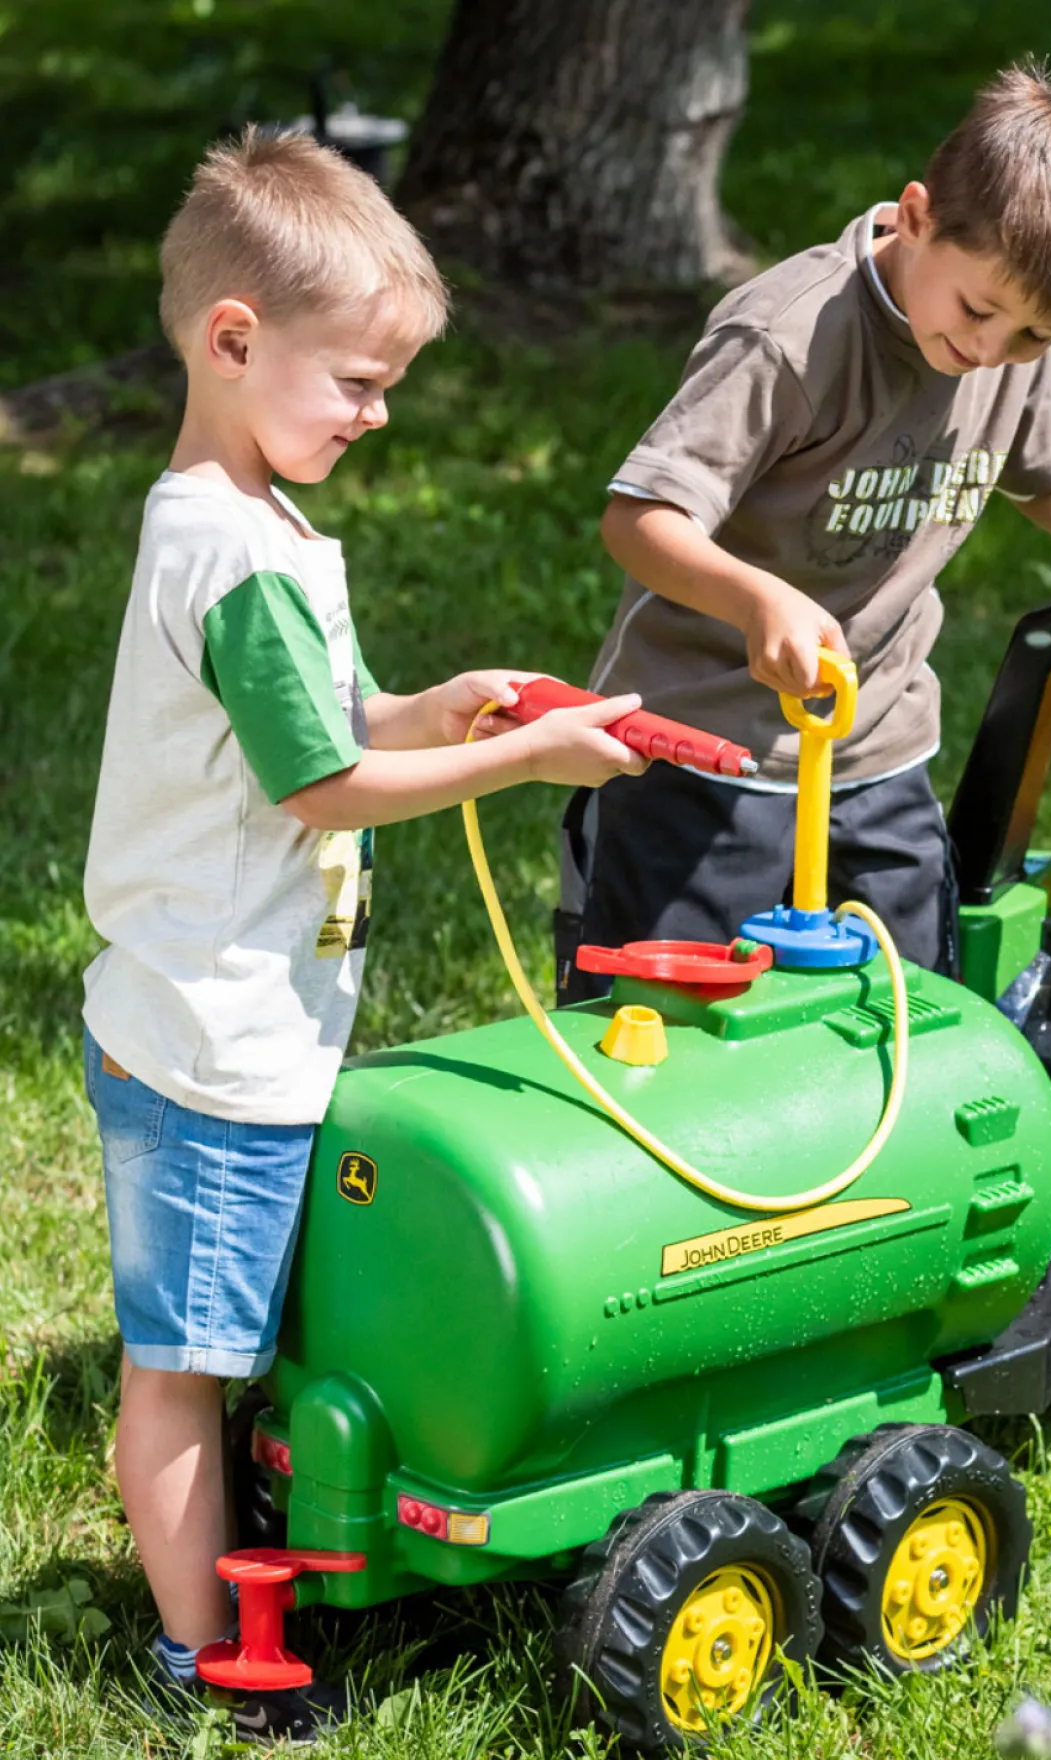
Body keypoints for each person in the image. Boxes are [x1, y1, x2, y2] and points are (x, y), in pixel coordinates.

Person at [81, 128, 647, 1744]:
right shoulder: (233, 554)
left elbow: (331, 725)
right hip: (208, 1039)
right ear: (234, 339)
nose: (380, 411)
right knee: (184, 1362)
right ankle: (209, 1655)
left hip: (244, 1020)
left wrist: (444, 703)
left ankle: (240, 1564)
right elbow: (327, 788)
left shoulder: (249, 520)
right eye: (360, 379)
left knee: (236, 1329)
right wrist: (523, 760)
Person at [557, 61, 1051, 997]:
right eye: (980, 312)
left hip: (878, 749)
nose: (991, 352)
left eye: (1037, 336)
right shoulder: (789, 338)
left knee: (902, 1016)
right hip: (703, 755)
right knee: (670, 1031)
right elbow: (642, 519)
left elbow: (1048, 475)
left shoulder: (1005, 338)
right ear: (916, 217)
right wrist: (759, 599)